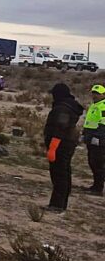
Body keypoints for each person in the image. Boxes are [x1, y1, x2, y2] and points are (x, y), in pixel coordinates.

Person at [44, 83, 84, 212]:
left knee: (59, 175)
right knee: (64, 173)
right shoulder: (68, 106)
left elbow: (60, 129)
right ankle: (60, 204)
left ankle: (57, 205)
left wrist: (53, 148)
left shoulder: (62, 108)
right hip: (66, 144)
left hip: (61, 145)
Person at [82, 84, 105, 195]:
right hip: (90, 138)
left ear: (103, 95)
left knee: (97, 163)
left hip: (99, 141)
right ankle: (96, 185)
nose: (94, 95)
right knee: (92, 162)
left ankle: (98, 188)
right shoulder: (94, 105)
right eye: (93, 93)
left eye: (97, 93)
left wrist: (98, 137)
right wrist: (84, 134)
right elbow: (89, 122)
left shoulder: (103, 106)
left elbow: (103, 124)